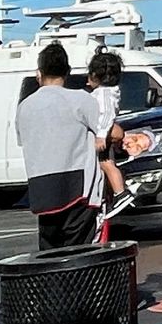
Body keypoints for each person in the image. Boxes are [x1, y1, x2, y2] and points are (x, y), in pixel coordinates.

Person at [15, 42, 105, 249]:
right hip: (78, 184)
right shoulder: (81, 99)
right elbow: (108, 131)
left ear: (39, 73)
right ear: (68, 72)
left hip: (41, 186)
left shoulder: (24, 107)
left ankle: (52, 282)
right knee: (80, 251)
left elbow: (22, 141)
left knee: (49, 251)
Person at [84, 49, 137, 225]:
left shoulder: (104, 94)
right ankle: (115, 194)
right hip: (104, 134)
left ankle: (121, 193)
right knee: (106, 164)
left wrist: (100, 136)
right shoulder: (107, 92)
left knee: (107, 164)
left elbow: (106, 116)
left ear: (96, 76)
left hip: (103, 136)